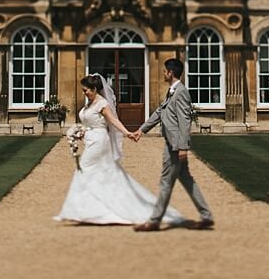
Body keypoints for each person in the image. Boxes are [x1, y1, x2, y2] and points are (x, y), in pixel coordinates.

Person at [54, 73, 185, 226]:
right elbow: (90, 122)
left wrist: (127, 133)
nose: (84, 93)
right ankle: (91, 209)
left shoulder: (102, 104)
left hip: (99, 142)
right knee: (100, 173)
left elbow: (113, 121)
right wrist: (80, 132)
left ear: (94, 89)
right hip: (91, 139)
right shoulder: (90, 104)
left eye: (86, 90)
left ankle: (79, 210)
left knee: (83, 169)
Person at [132, 58, 215, 232]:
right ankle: (206, 216)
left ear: (170, 73)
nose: (163, 73)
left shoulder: (181, 92)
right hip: (172, 143)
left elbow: (185, 121)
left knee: (165, 182)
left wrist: (183, 147)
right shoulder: (172, 91)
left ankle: (154, 221)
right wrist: (142, 129)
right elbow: (160, 111)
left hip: (175, 146)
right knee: (186, 178)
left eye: (164, 71)